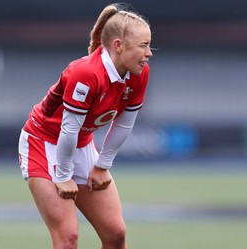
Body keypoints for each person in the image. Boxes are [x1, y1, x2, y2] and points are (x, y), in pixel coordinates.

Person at [18, 3, 153, 249]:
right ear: (118, 46)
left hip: (80, 144)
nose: (149, 53)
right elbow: (68, 129)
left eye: (149, 46)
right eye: (143, 46)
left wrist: (102, 166)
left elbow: (123, 125)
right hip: (44, 143)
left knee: (115, 234)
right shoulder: (87, 72)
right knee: (68, 238)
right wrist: (63, 176)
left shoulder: (140, 73)